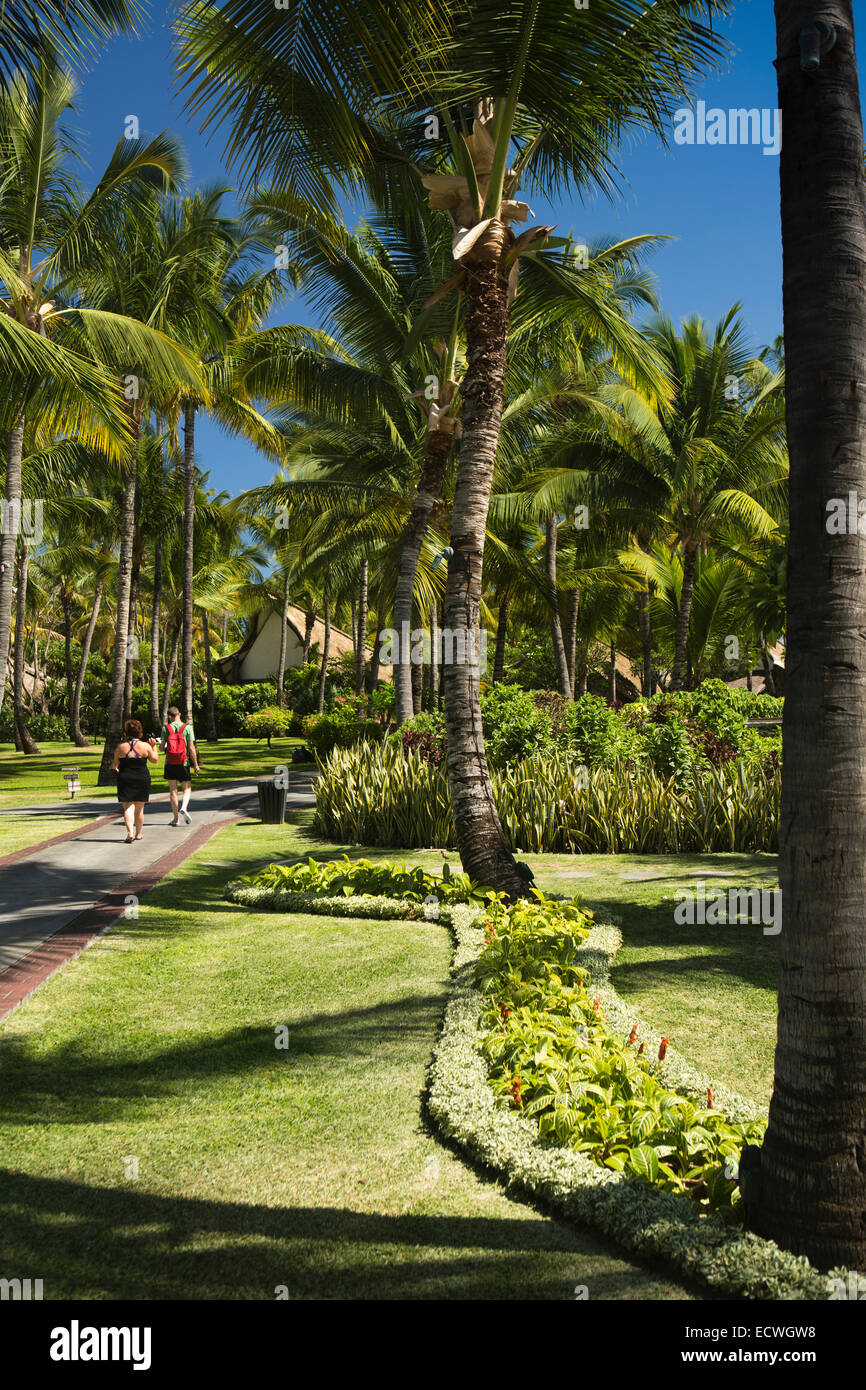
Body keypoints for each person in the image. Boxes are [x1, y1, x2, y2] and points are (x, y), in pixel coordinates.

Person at [112, 719, 160, 842]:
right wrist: (154, 747)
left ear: (126, 732)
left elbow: (114, 766)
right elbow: (155, 760)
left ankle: (130, 833)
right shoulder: (145, 746)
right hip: (142, 778)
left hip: (125, 778)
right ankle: (139, 833)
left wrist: (121, 773)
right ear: (140, 732)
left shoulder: (121, 747)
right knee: (139, 808)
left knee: (128, 807)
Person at [160, 705, 200, 825]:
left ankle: (176, 819)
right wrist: (196, 764)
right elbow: (191, 748)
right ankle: (184, 807)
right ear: (179, 715)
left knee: (173, 791)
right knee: (187, 788)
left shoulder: (166, 728)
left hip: (170, 763)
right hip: (184, 762)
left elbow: (162, 748)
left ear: (169, 717)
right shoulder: (187, 728)